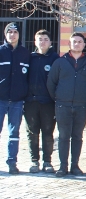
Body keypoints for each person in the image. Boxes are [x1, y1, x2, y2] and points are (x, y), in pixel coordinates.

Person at [47, 32, 86, 177]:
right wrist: (58, 98)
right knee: (63, 136)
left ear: (84, 45)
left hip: (81, 106)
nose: (77, 44)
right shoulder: (60, 62)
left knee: (77, 136)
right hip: (63, 106)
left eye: (80, 42)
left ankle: (75, 165)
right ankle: (63, 166)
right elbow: (51, 83)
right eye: (74, 41)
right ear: (69, 44)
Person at [24, 29, 59, 173]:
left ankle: (47, 161)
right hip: (31, 102)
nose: (42, 42)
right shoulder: (29, 58)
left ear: (50, 42)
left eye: (45, 39)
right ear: (35, 42)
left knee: (47, 132)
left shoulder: (55, 59)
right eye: (40, 39)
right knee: (32, 132)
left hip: (49, 103)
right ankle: (34, 161)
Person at [0, 22, 31, 174]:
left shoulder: (26, 54)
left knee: (14, 133)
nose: (12, 34)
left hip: (17, 101)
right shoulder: (0, 52)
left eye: (15, 32)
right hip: (0, 99)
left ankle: (12, 162)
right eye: (9, 32)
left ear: (19, 34)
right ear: (5, 34)